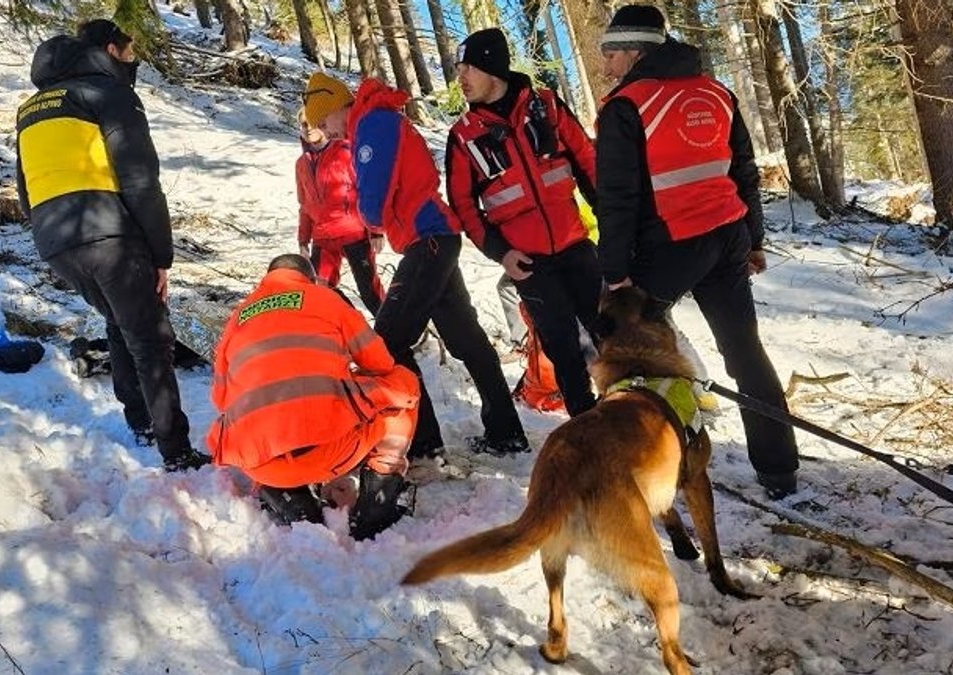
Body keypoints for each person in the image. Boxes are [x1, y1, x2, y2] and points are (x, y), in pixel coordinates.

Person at [593, 5, 799, 498]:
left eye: (611, 52)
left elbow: (616, 199)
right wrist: (753, 240)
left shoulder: (626, 106)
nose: (606, 64)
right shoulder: (716, 92)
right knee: (745, 352)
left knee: (631, 354)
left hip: (667, 247)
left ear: (636, 52)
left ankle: (651, 459)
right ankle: (779, 470)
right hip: (727, 236)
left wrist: (616, 273)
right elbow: (743, 172)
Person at [15, 19, 209, 472]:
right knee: (151, 337)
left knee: (121, 323)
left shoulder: (31, 108)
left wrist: (53, 233)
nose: (133, 60)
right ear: (110, 49)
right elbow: (140, 180)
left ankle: (141, 422)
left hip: (54, 240)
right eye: (129, 51)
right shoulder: (110, 93)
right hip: (108, 233)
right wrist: (161, 255)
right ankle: (177, 452)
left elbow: (24, 191)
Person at [303, 71, 529, 458]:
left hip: (428, 240)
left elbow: (373, 200)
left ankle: (423, 442)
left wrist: (371, 219)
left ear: (338, 106)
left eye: (324, 121)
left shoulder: (371, 123)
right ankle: (504, 432)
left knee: (388, 342)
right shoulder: (373, 121)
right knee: (467, 339)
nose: (325, 132)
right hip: (434, 238)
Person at [445, 27, 604, 417]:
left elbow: (587, 162)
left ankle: (631, 411)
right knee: (562, 348)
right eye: (458, 70)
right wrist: (501, 253)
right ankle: (587, 425)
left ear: (492, 68)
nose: (460, 78)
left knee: (610, 333)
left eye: (468, 69)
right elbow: (464, 206)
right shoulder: (463, 136)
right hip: (528, 262)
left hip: (577, 246)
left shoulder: (546, 106)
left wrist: (612, 223)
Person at [207, 254, 420, 540]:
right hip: (330, 451)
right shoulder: (324, 298)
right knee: (403, 383)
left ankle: (285, 494)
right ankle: (377, 501)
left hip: (260, 463)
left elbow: (221, 399)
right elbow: (380, 363)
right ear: (310, 279)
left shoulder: (237, 317)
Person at [293, 109, 386, 315]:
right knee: (321, 288)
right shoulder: (301, 164)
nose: (307, 129)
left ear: (323, 124)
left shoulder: (346, 151)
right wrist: (303, 240)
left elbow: (368, 190)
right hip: (322, 237)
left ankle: (393, 331)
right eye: (303, 125)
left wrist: (376, 230)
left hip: (353, 233)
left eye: (312, 122)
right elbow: (304, 205)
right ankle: (353, 324)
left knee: (369, 291)